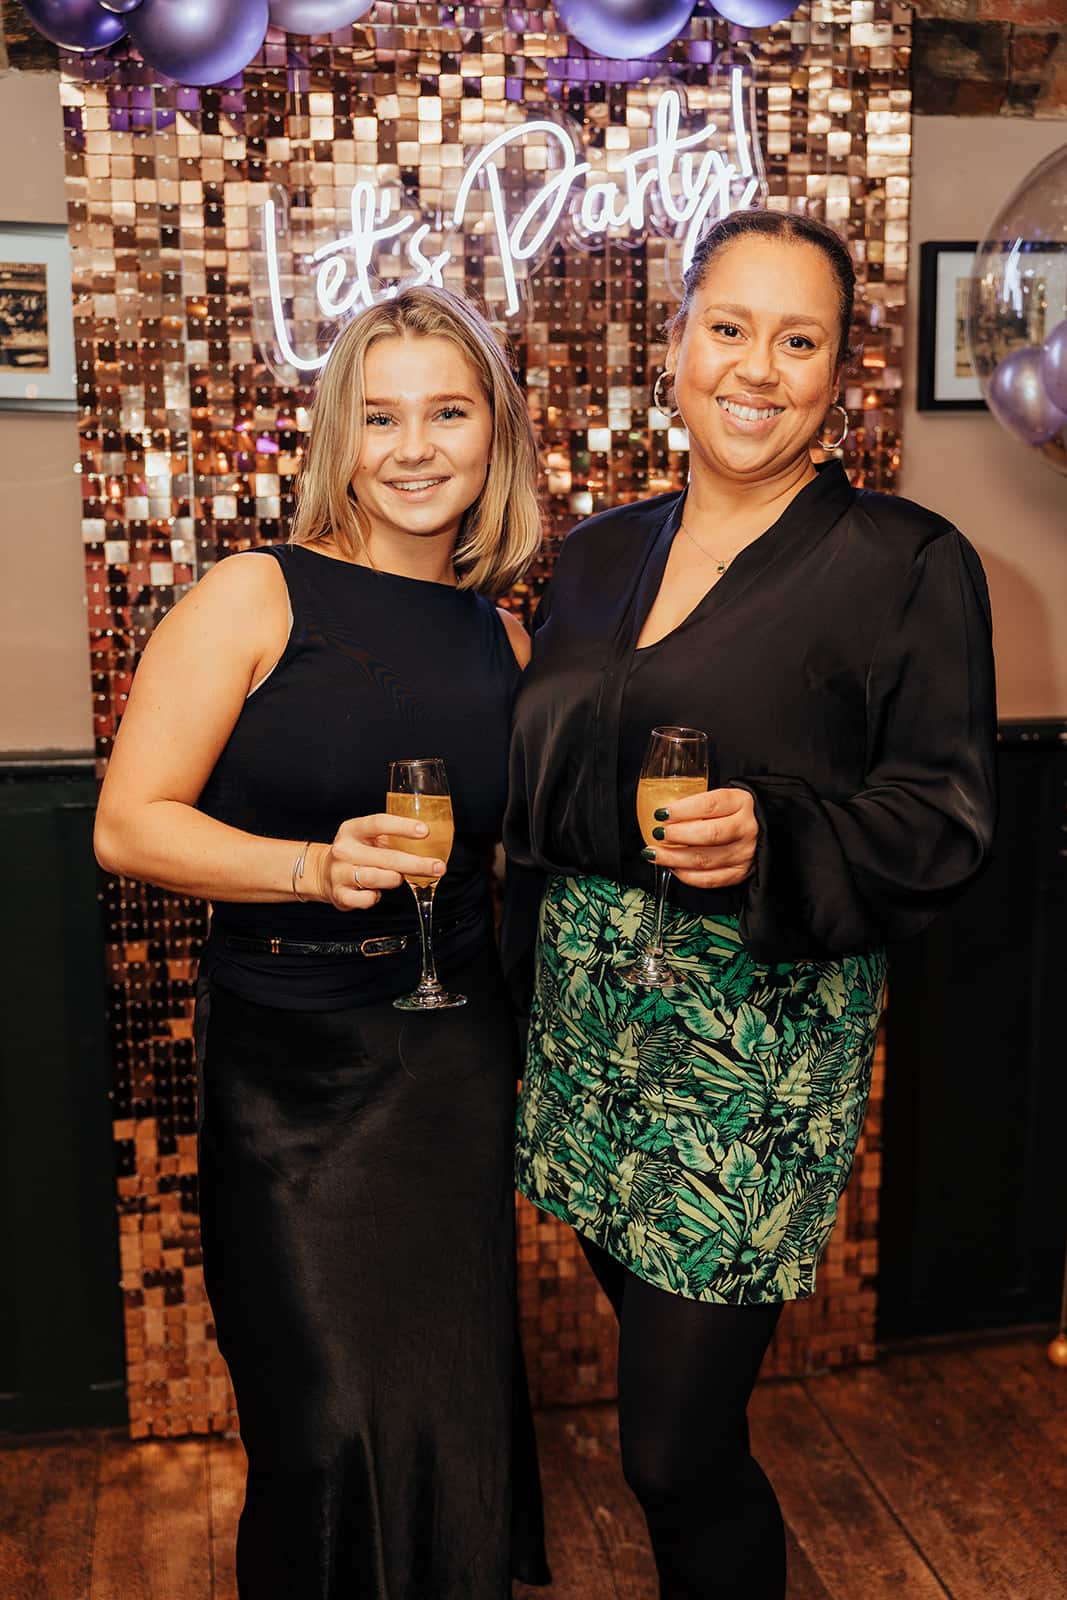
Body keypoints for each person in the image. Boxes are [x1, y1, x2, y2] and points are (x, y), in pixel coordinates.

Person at [503, 210, 997, 1599]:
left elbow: (948, 817)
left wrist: (776, 833)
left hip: (755, 1042)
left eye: (800, 341)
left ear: (840, 372)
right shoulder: (598, 555)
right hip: (584, 1025)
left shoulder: (908, 564)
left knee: (671, 1449)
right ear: (677, 347)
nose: (758, 369)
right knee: (675, 1415)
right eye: (729, 329)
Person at [94, 284, 550, 1599]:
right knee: (324, 1426)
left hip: (451, 1066)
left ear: (495, 433)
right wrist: (308, 868)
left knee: (445, 1402)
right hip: (290, 1077)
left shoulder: (505, 635)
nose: (414, 448)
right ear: (338, 437)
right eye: (380, 416)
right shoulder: (256, 594)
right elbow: (127, 826)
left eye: (447, 412)